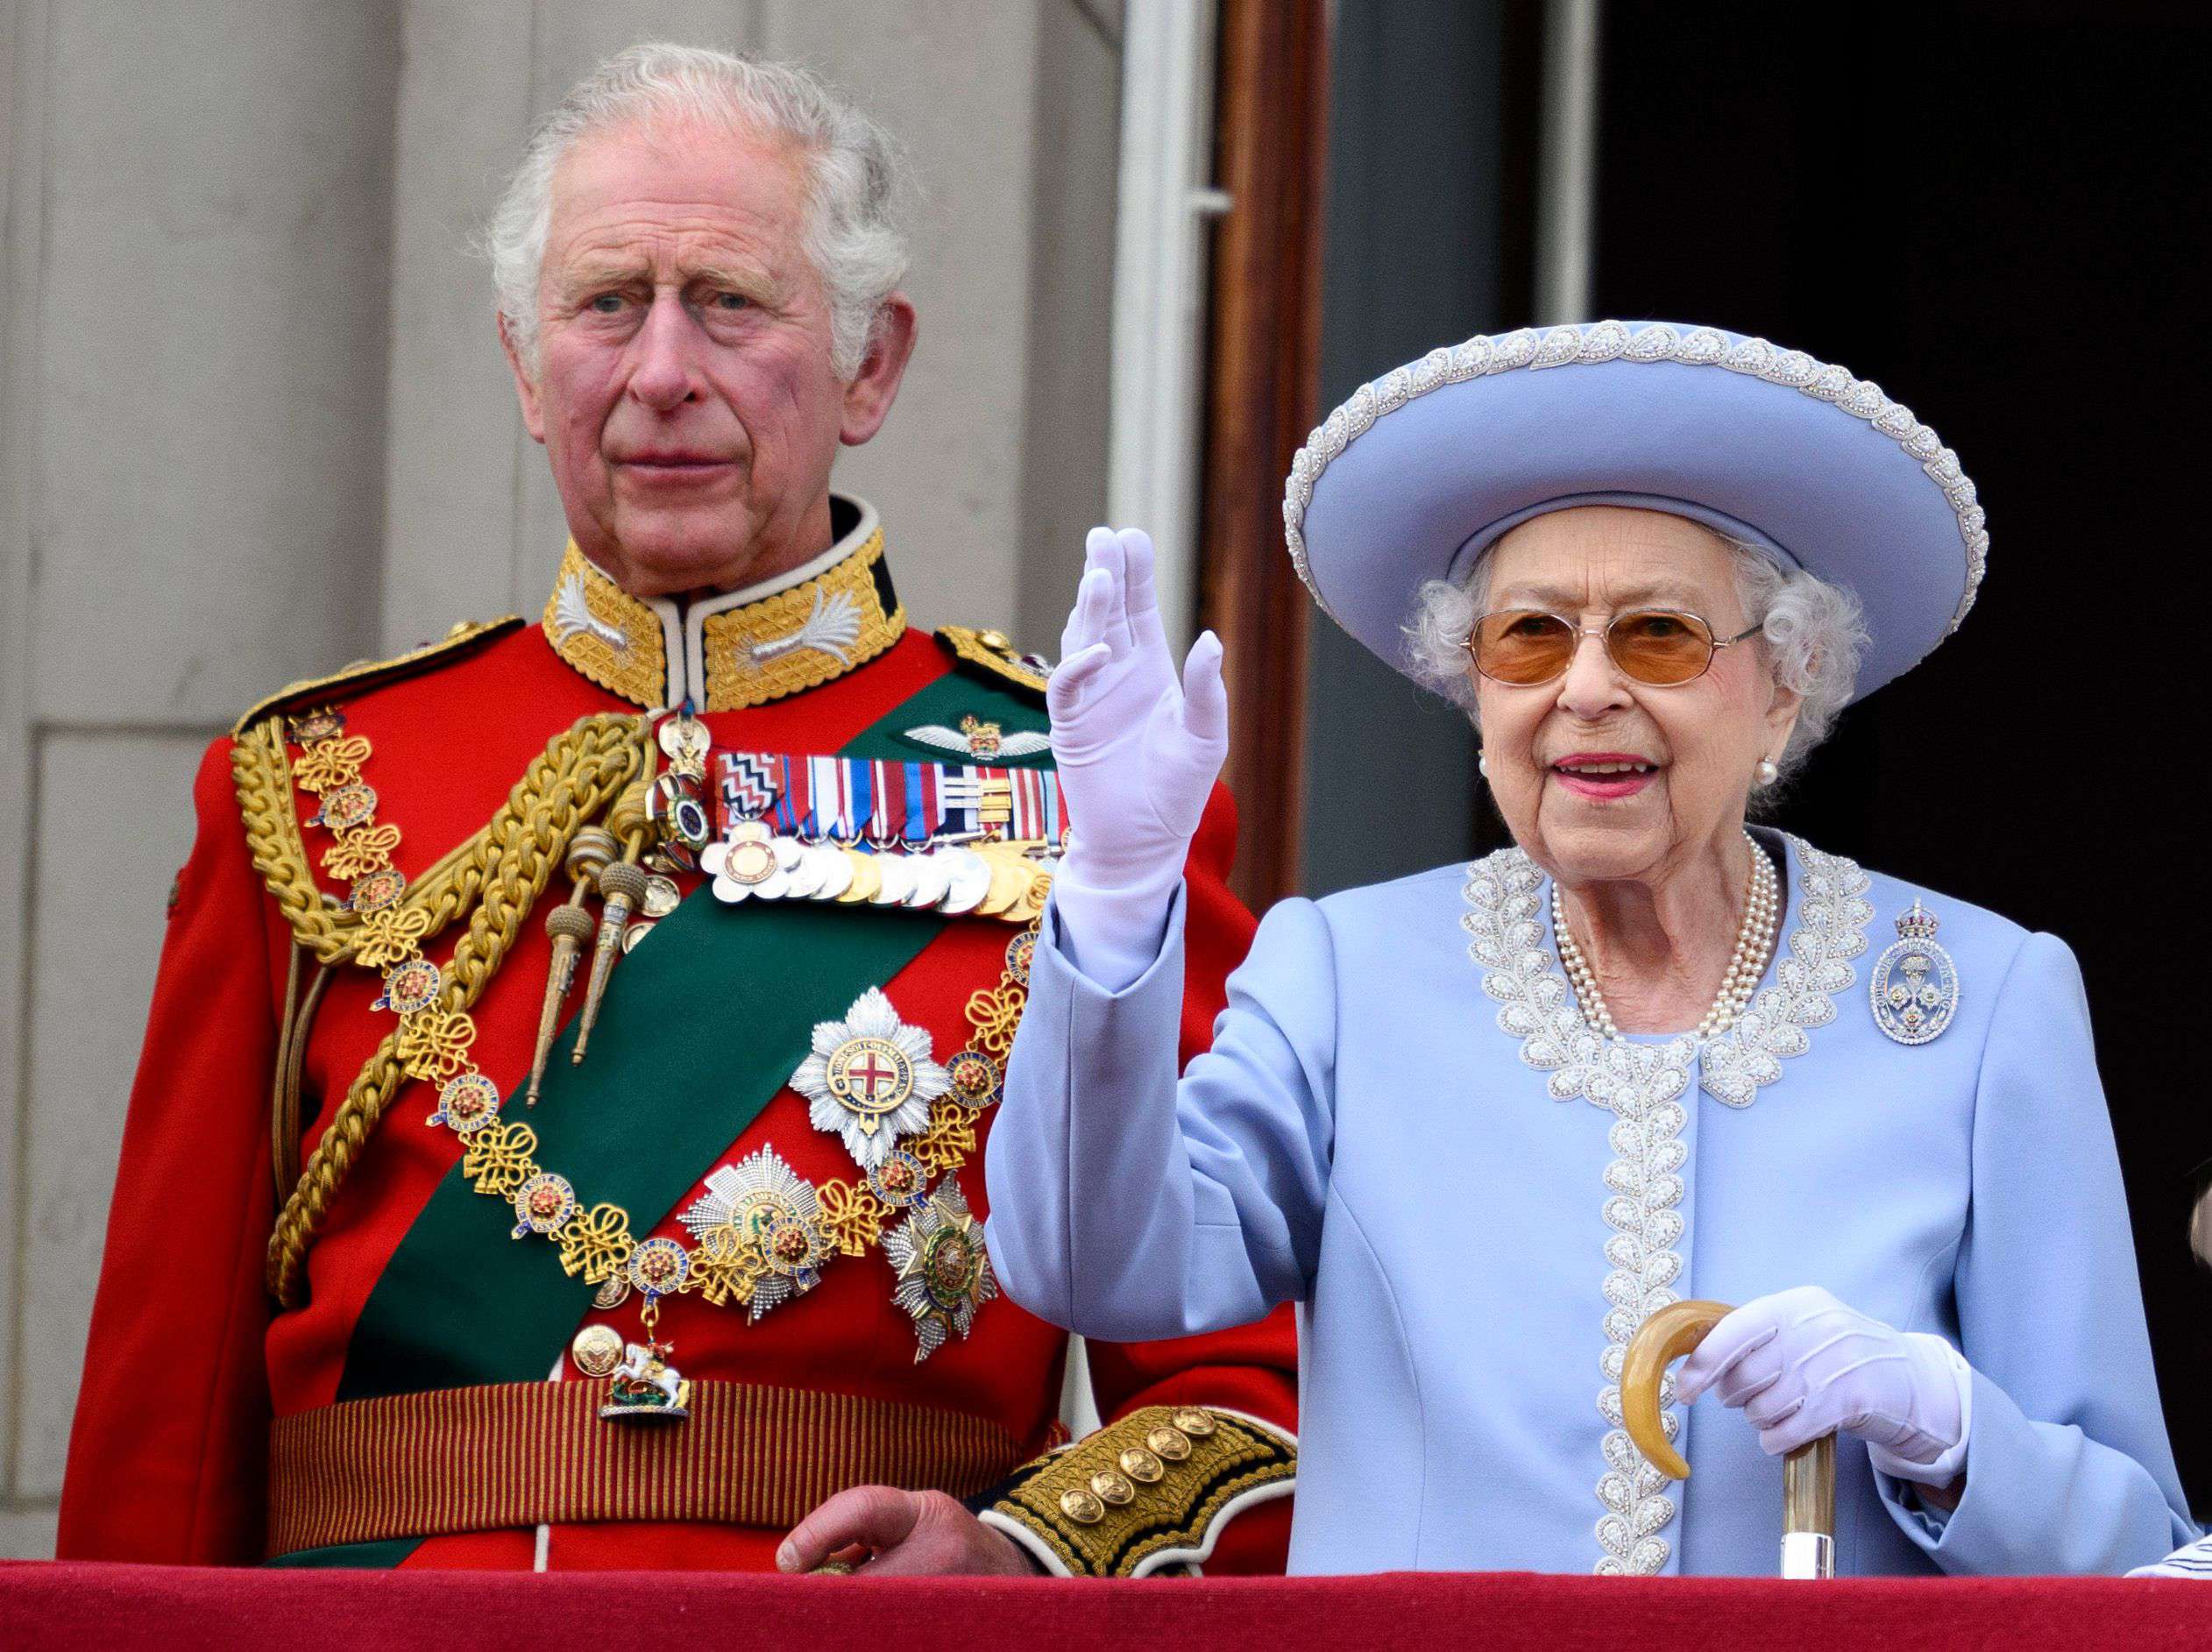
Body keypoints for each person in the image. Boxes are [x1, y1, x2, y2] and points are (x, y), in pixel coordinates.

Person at [56, 43, 1295, 1578]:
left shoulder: (1078, 789)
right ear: (525, 365)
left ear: (871, 362)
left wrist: (1016, 1555)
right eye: (603, 304)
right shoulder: (313, 779)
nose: (659, 372)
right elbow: (160, 1444)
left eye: (730, 300)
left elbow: (1239, 1396)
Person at [986, 319, 2196, 1576]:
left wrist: (1945, 1427)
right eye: (1530, 637)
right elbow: (1091, 1263)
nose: (1587, 687)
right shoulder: (1347, 973)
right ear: (1478, 693)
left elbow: (2134, 1548)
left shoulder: (1985, 1004)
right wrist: (1119, 895)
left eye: (1660, 634)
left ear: (1787, 684)